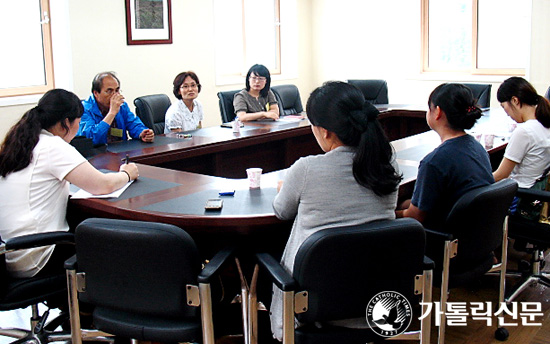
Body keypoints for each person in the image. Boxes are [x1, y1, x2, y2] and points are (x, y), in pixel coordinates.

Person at [269, 81, 402, 341]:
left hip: (317, 302)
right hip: (376, 294)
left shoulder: (306, 169)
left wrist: (284, 187)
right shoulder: (386, 164)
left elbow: (281, 211)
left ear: (325, 132)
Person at [0, 89, 139, 279]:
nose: (78, 127)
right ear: (66, 122)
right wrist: (126, 174)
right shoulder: (53, 146)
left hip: (10, 252)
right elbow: (103, 185)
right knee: (115, 245)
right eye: (78, 121)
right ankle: (88, 307)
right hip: (38, 255)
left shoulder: (20, 144)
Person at [396, 83, 494, 230]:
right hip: (476, 232)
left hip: (444, 237)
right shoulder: (477, 148)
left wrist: (390, 213)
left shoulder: (434, 162)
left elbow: (416, 216)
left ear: (438, 112)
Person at [493, 77, 550, 188]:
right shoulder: (545, 122)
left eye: (504, 107)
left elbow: (500, 175)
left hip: (520, 195)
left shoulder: (524, 132)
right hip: (538, 191)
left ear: (515, 101)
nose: (507, 114)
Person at [78, 72, 155, 145]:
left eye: (117, 90)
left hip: (120, 151)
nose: (115, 95)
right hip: (96, 154)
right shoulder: (84, 109)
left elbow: (133, 124)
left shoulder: (122, 106)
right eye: (109, 91)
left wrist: (142, 133)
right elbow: (90, 139)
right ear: (96, 93)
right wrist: (112, 113)